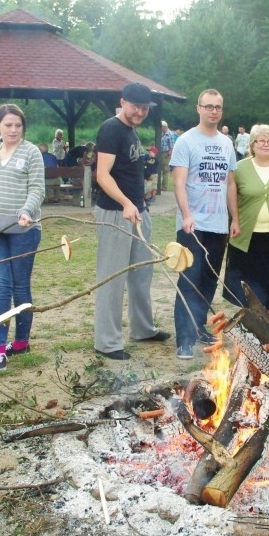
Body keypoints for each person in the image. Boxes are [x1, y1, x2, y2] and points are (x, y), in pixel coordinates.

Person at [92, 83, 171, 361]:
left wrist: (139, 201)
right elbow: (103, 175)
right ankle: (107, 342)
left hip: (138, 211)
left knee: (141, 274)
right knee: (112, 277)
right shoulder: (111, 129)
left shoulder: (131, 131)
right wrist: (125, 202)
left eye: (144, 107)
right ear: (123, 102)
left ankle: (143, 328)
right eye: (135, 106)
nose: (139, 111)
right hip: (116, 213)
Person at [171, 88, 238, 360]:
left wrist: (235, 218)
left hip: (218, 225)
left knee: (209, 280)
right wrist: (187, 214)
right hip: (192, 225)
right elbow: (178, 182)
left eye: (218, 107)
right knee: (189, 279)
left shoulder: (226, 143)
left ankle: (198, 328)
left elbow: (230, 182)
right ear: (198, 108)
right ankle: (184, 339)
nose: (213, 111)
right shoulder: (185, 141)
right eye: (208, 106)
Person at [0, 103, 45, 371]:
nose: (13, 130)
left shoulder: (31, 153)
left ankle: (21, 341)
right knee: (0, 286)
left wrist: (27, 211)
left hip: (25, 231)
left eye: (18, 125)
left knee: (20, 287)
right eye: (8, 125)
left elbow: (37, 188)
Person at [222, 124, 269, 313]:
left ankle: (266, 326)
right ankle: (248, 324)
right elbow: (230, 196)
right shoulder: (240, 167)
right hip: (246, 236)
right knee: (246, 287)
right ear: (252, 144)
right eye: (261, 140)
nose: (266, 144)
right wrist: (234, 221)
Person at [158, 120, 176, 192]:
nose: (160, 128)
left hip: (166, 153)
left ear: (164, 127)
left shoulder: (170, 134)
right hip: (160, 152)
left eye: (161, 127)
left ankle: (164, 186)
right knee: (160, 169)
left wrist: (168, 154)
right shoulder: (162, 133)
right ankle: (159, 185)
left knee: (165, 170)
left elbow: (172, 146)